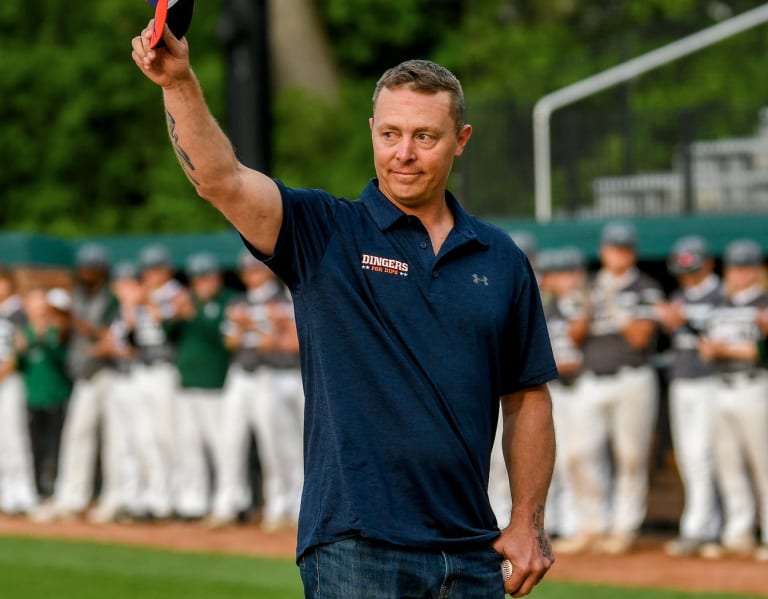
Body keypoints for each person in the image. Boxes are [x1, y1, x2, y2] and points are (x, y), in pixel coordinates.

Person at [133, 25, 557, 597]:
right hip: (356, 547)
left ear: (461, 139)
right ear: (372, 133)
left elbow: (528, 394)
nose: (403, 153)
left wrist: (527, 520)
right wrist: (178, 82)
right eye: (390, 134)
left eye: (425, 137)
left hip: (471, 552)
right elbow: (221, 179)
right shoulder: (324, 230)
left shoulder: (501, 258)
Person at [557, 221, 663, 555]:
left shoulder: (645, 287)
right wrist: (589, 304)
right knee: (579, 453)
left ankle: (623, 527)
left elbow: (640, 336)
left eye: (624, 249)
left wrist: (614, 305)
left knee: (630, 456)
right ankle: (592, 525)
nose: (618, 255)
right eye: (613, 249)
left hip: (632, 376)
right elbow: (574, 337)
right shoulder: (588, 286)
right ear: (603, 251)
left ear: (632, 253)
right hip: (591, 378)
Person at [210, 250, 303, 531]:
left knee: (276, 444)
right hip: (241, 373)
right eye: (248, 270)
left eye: (256, 270)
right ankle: (227, 503)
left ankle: (282, 504)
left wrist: (254, 327)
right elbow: (229, 341)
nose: (252, 275)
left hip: (271, 373)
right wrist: (243, 330)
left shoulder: (282, 299)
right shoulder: (241, 301)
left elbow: (283, 342)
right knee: (230, 440)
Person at [32, 243, 119, 523]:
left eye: (91, 269)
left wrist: (75, 322)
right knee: (76, 436)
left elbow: (108, 336)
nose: (86, 274)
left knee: (114, 441)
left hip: (109, 373)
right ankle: (71, 497)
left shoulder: (111, 298)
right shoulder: (77, 296)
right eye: (83, 269)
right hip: (83, 374)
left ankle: (113, 498)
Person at [697, 239, 768, 561]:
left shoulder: (764, 302)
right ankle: (738, 532)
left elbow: (757, 351)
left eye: (747, 267)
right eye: (736, 267)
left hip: (754, 385)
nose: (741, 273)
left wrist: (724, 349)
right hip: (720, 386)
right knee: (728, 464)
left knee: (762, 464)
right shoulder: (720, 304)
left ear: (757, 270)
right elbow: (707, 347)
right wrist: (712, 350)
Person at [655, 236, 723, 556]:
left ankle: (705, 527)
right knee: (687, 456)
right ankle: (700, 524)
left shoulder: (721, 294)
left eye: (693, 269)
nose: (687, 276)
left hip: (711, 382)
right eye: (683, 270)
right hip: (682, 380)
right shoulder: (680, 294)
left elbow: (720, 340)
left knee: (706, 454)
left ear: (708, 263)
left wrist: (685, 322)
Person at [165, 252, 233, 520]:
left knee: (221, 447)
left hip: (214, 383)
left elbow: (219, 337)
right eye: (196, 278)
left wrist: (194, 314)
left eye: (206, 277)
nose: (201, 283)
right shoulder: (188, 300)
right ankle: (194, 501)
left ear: (216, 277)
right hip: (187, 382)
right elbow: (168, 334)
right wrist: (176, 316)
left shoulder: (227, 300)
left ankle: (226, 502)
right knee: (189, 446)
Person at [536, 247, 588, 542]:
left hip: (578, 387)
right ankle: (550, 522)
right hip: (552, 388)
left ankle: (574, 523)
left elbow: (582, 342)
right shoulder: (545, 306)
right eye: (556, 274)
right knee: (547, 458)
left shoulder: (584, 305)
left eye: (567, 274)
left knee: (574, 457)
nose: (561, 280)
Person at [130, 243, 183, 519]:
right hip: (142, 369)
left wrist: (145, 300)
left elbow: (171, 329)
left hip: (165, 369)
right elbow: (129, 336)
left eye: (157, 268)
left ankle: (174, 496)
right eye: (148, 269)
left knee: (167, 435)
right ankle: (154, 496)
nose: (151, 274)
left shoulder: (176, 293)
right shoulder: (140, 295)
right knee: (144, 436)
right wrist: (131, 305)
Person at [17, 289, 72, 499]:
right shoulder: (25, 332)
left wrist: (47, 341)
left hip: (55, 396)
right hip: (33, 397)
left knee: (56, 445)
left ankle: (54, 487)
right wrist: (22, 348)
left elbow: (63, 360)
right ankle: (38, 487)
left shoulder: (55, 330)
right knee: (35, 445)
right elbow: (21, 365)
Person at [0, 267, 38, 515]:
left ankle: (23, 494)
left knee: (14, 438)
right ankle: (7, 494)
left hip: (9, 382)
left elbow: (18, 350)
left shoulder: (15, 312)